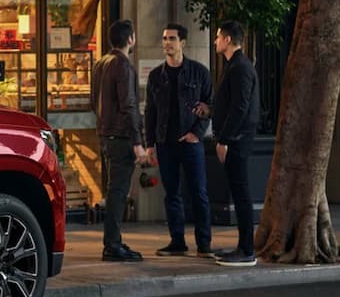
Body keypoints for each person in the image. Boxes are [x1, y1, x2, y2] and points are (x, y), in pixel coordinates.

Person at [143, 23, 213, 257]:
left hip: (191, 143)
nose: (167, 43)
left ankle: (204, 244)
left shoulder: (199, 72)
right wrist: (150, 143)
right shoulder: (156, 76)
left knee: (198, 192)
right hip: (165, 143)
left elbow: (209, 106)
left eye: (172, 39)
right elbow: (150, 112)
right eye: (164, 39)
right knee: (172, 193)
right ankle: (177, 242)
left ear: (183, 42)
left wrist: (196, 132)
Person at [197, 20, 260, 266]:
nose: (214, 41)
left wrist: (224, 139)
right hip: (235, 138)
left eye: (217, 37)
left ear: (227, 39)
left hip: (237, 140)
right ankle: (243, 247)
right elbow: (231, 105)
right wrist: (210, 111)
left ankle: (246, 250)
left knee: (241, 194)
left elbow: (241, 107)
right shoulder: (235, 66)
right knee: (239, 192)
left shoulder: (240, 67)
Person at [90, 19, 144, 262]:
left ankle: (113, 241)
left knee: (113, 190)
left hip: (105, 134)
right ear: (130, 39)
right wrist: (137, 141)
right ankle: (112, 244)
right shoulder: (123, 65)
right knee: (117, 192)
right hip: (121, 137)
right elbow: (129, 105)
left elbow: (94, 101)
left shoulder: (100, 63)